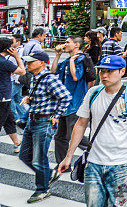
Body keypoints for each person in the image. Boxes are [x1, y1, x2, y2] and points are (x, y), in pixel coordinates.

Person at [56, 55, 127, 207]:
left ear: (122, 71)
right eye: (101, 71)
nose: (104, 75)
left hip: (123, 165)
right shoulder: (93, 93)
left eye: (110, 71)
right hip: (93, 164)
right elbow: (80, 124)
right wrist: (68, 156)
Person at [18, 50, 71, 203]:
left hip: (45, 122)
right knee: (24, 155)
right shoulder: (35, 78)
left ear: (42, 63)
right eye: (27, 62)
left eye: (31, 62)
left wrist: (57, 115)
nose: (27, 64)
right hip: (32, 120)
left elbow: (66, 97)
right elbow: (43, 96)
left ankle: (42, 190)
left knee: (38, 158)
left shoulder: (50, 79)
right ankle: (49, 174)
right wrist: (30, 98)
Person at [51, 35, 91, 169]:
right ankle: (62, 164)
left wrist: (73, 61)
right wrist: (57, 56)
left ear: (76, 45)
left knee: (75, 136)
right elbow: (53, 71)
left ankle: (98, 153)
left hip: (75, 104)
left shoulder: (80, 59)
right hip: (64, 104)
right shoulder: (67, 60)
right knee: (60, 137)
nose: (65, 44)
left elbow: (75, 77)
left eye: (68, 42)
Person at [0, 37, 24, 152]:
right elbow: (22, 71)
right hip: (3, 96)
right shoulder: (4, 62)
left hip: (5, 96)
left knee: (9, 120)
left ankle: (16, 142)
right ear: (8, 48)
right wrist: (17, 57)